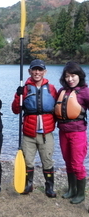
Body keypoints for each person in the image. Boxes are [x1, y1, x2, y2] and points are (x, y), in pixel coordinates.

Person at [12, 59, 57, 198]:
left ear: (44, 71)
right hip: (28, 133)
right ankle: (28, 185)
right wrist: (18, 95)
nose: (37, 72)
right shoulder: (24, 89)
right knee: (28, 161)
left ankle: (49, 187)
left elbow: (58, 108)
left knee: (47, 161)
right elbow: (15, 110)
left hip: (46, 133)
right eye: (34, 69)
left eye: (40, 69)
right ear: (29, 71)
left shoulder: (51, 88)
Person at [54, 61, 89, 204]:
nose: (70, 79)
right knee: (68, 162)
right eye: (67, 76)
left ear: (79, 76)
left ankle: (81, 194)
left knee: (77, 163)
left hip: (78, 133)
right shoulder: (62, 91)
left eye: (73, 75)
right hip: (63, 132)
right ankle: (72, 190)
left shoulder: (85, 91)